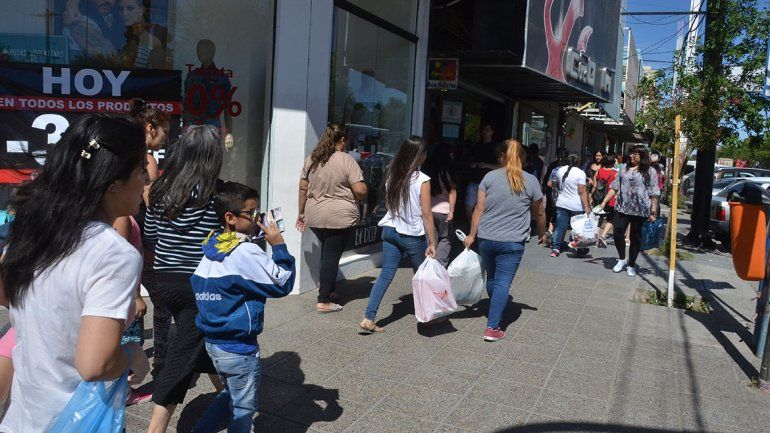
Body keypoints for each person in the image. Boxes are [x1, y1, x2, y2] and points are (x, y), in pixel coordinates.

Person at [0, 114, 147, 431]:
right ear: (114, 181)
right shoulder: (113, 253)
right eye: (140, 169)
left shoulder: (35, 231)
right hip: (73, 419)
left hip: (22, 417)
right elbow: (96, 363)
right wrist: (133, 354)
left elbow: (6, 293)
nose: (146, 179)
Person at [190, 182, 295, 433]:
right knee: (243, 411)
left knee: (229, 395)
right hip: (238, 348)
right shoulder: (245, 251)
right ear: (231, 218)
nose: (259, 219)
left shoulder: (212, 245)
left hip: (214, 344)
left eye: (259, 211)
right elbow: (283, 282)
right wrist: (278, 246)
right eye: (252, 213)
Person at [144, 126, 224, 433]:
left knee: (196, 337)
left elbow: (151, 236)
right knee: (182, 351)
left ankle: (227, 394)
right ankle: (156, 427)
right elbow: (224, 242)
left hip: (165, 280)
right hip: (200, 284)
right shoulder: (216, 196)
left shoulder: (161, 189)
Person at [464, 140, 546, 341]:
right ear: (522, 158)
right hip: (512, 242)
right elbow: (540, 213)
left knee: (492, 279)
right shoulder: (531, 181)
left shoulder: (489, 178)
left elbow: (478, 209)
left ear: (501, 156)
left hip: (486, 239)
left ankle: (495, 306)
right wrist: (543, 233)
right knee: (502, 282)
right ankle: (492, 327)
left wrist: (472, 235)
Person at [359, 136, 437, 333]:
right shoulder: (423, 180)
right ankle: (427, 318)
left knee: (385, 275)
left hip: (390, 231)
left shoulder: (392, 173)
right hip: (412, 235)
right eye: (424, 152)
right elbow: (427, 214)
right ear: (418, 156)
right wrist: (432, 241)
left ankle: (369, 317)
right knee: (422, 277)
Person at [295, 123, 367, 313]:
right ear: (342, 140)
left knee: (328, 252)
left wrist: (301, 213)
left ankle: (330, 290)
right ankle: (324, 300)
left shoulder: (312, 159)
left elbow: (303, 188)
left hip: (315, 215)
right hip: (340, 216)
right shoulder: (346, 160)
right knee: (331, 256)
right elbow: (360, 190)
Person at [129, 98, 171, 370]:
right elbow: (151, 204)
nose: (168, 137)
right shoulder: (145, 160)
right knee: (161, 300)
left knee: (131, 299)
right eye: (166, 130)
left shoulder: (125, 154)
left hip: (128, 237)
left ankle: (133, 357)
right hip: (140, 238)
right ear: (151, 128)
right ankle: (162, 358)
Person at [598, 145, 660, 277]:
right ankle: (622, 259)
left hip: (640, 209)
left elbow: (654, 193)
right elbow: (615, 186)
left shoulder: (650, 171)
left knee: (635, 237)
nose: (631, 156)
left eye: (635, 154)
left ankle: (631, 265)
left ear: (642, 155)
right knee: (617, 232)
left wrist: (653, 211)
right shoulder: (624, 168)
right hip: (622, 207)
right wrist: (604, 202)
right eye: (631, 153)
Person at [113, 215, 152, 406]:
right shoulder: (122, 218)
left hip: (124, 292)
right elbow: (124, 262)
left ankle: (122, 391)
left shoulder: (121, 216)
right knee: (126, 346)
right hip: (123, 294)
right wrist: (136, 296)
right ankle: (124, 393)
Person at [548, 153, 591, 257]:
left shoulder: (560, 170)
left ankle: (555, 249)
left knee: (559, 227)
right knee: (577, 228)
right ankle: (578, 247)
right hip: (576, 206)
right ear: (578, 161)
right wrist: (587, 207)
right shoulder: (580, 173)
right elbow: (582, 191)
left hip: (562, 203)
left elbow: (557, 185)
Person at [423, 145, 457, 267]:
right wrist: (451, 211)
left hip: (428, 211)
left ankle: (429, 263)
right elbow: (452, 191)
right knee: (446, 238)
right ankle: (438, 266)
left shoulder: (426, 170)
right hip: (443, 212)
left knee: (432, 239)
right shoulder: (446, 171)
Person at [465, 123, 500, 219]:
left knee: (483, 209)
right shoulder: (476, 145)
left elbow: (501, 166)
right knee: (468, 207)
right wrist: (472, 164)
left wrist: (486, 165)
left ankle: (479, 230)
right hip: (474, 180)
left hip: (488, 184)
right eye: (483, 130)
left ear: (492, 132)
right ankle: (472, 229)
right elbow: (469, 159)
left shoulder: (496, 147)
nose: (484, 132)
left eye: (487, 130)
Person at [120, 0, 169, 68]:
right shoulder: (117, 33)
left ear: (141, 10)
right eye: (121, 9)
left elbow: (158, 75)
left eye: (130, 8)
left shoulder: (155, 41)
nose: (124, 13)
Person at [594, 155, 618, 248]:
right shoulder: (615, 173)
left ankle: (595, 237)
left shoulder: (599, 171)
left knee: (599, 218)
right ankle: (603, 236)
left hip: (599, 198)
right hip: (611, 198)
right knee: (611, 218)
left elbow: (595, 185)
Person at [543, 149, 567, 242]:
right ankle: (558, 239)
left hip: (554, 195)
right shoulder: (571, 170)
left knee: (554, 213)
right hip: (563, 197)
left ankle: (550, 230)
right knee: (562, 216)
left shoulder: (555, 168)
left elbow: (548, 183)